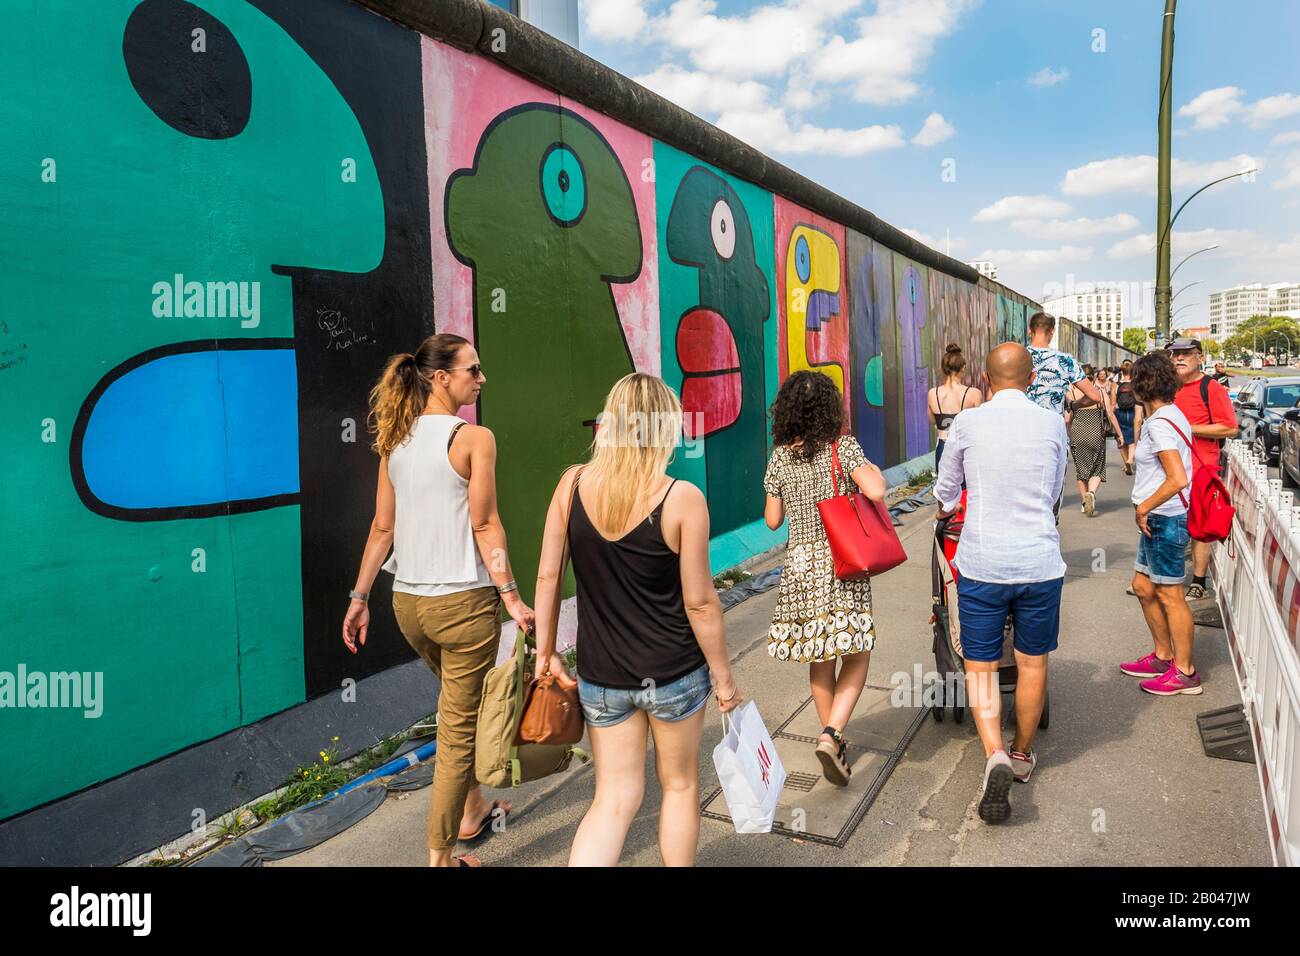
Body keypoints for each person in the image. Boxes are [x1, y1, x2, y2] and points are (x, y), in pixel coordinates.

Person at [532, 373, 742, 867]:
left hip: (601, 677)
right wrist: (726, 679)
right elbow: (700, 603)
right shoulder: (681, 498)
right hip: (675, 673)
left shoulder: (572, 484)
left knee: (613, 801)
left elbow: (546, 577)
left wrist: (545, 655)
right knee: (680, 786)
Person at [342, 333, 535, 868]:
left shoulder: (395, 441)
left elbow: (383, 528)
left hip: (409, 608)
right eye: (473, 370)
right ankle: (441, 859)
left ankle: (472, 811)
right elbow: (485, 523)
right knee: (456, 735)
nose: (482, 377)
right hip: (464, 609)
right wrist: (513, 599)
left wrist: (359, 598)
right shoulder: (474, 438)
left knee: (459, 709)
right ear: (441, 378)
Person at [934, 342, 1067, 824]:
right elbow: (1053, 491)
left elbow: (946, 490)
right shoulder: (1053, 422)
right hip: (1039, 563)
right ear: (1031, 379)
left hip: (982, 564)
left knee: (980, 667)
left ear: (986, 381)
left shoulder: (967, 423)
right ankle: (1023, 753)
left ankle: (993, 753)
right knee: (1032, 665)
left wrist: (945, 504)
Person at [763, 371, 887, 786]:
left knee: (821, 656)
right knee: (857, 652)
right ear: (830, 409)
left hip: (799, 566)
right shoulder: (842, 446)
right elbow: (874, 490)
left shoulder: (780, 455)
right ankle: (831, 734)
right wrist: (868, 467)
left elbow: (772, 519)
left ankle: (831, 737)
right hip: (840, 563)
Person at [1120, 352, 1201, 695]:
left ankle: (1185, 672)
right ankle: (1163, 655)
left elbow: (1177, 478)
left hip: (1165, 519)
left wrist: (1144, 508)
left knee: (1170, 595)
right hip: (1158, 518)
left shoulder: (1160, 423)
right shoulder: (1171, 415)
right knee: (1143, 586)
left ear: (1143, 384)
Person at [1168, 338, 1238, 600]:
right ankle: (1162, 578)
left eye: (1185, 354)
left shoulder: (1211, 388)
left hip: (1201, 469)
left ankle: (1198, 582)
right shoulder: (1169, 388)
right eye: (1175, 354)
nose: (1179, 359)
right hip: (1170, 468)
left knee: (1199, 528)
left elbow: (1230, 427)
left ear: (1199, 357)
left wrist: (1189, 428)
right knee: (1168, 523)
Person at [1065, 367, 1124, 516]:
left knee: (1081, 469)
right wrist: (1119, 435)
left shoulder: (1070, 394)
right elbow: (1110, 415)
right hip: (1096, 434)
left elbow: (1066, 419)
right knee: (1097, 467)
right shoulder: (1101, 393)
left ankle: (1084, 503)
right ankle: (1091, 493)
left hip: (1077, 433)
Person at [1025, 311, 1102, 416]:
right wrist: (1072, 405)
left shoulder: (1016, 356)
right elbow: (1095, 396)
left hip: (1022, 426)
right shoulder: (1065, 360)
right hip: (1052, 428)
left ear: (1029, 330)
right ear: (1052, 331)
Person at [928, 343, 983, 470]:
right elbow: (978, 425)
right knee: (966, 489)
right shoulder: (974, 394)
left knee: (945, 488)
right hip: (965, 448)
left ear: (943, 368)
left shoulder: (932, 393)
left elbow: (931, 420)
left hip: (943, 446)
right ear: (963, 368)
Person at [1114, 359, 1139, 475]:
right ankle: (1130, 460)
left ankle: (1125, 463)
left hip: (1120, 413)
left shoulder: (1116, 384)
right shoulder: (1136, 383)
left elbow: (1112, 404)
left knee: (1121, 438)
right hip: (1133, 412)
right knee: (1132, 440)